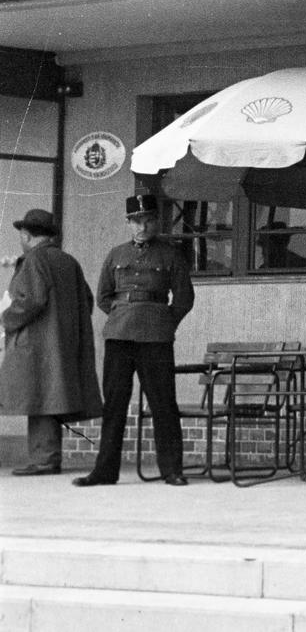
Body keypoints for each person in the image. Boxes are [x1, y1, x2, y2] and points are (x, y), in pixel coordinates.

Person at [75, 194, 194, 487]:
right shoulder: (115, 255)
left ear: (157, 222)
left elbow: (184, 298)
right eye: (137, 221)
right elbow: (103, 297)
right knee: (114, 404)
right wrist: (121, 315)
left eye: (149, 220)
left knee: (163, 403)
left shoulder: (170, 255)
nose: (143, 226)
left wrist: (165, 322)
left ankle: (171, 470)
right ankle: (104, 471)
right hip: (119, 335)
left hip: (156, 337)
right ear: (128, 223)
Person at [0, 209, 103, 475]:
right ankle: (48, 457)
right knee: (51, 398)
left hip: (37, 346)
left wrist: (5, 318)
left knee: (39, 399)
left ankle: (44, 459)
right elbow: (87, 301)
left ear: (26, 235)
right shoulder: (69, 261)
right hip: (64, 346)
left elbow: (29, 300)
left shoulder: (34, 260)